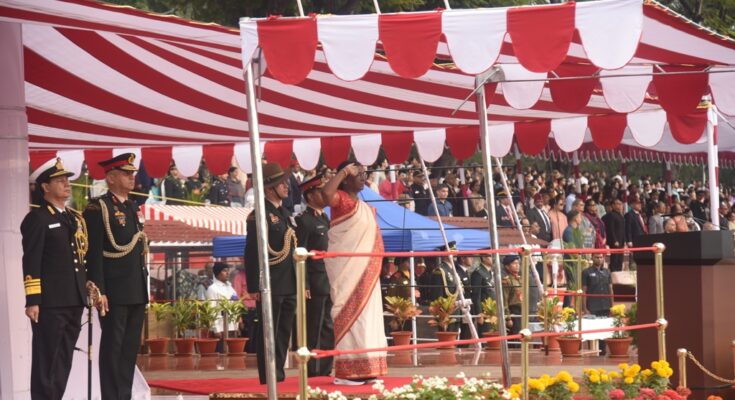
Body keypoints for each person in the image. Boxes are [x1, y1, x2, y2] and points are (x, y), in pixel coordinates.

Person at [22, 159, 89, 400]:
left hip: (73, 300)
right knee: (46, 360)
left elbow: (80, 258)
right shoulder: (37, 219)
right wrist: (33, 300)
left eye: (67, 180)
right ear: (45, 187)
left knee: (63, 360)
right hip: (50, 303)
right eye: (59, 181)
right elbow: (31, 261)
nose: (66, 184)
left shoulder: (73, 218)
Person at [84, 153, 148, 400]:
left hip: (135, 289)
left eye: (132, 172)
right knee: (113, 349)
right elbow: (94, 252)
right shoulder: (97, 208)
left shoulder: (131, 206)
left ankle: (124, 395)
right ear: (110, 178)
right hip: (114, 291)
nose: (132, 177)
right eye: (125, 173)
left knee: (129, 350)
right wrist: (99, 290)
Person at [318, 161, 387, 384]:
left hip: (367, 272)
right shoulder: (342, 200)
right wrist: (344, 171)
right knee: (351, 317)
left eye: (364, 174)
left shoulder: (366, 207)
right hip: (348, 273)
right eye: (357, 174)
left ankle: (369, 368)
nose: (363, 178)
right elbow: (325, 196)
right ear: (346, 178)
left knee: (369, 320)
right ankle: (348, 372)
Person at [245, 163, 297, 384]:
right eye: (280, 183)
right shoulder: (259, 215)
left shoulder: (284, 213)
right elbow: (252, 252)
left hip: (289, 282)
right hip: (271, 283)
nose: (286, 186)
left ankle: (279, 374)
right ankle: (268, 376)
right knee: (270, 333)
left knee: (284, 332)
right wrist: (254, 287)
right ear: (268, 189)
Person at [294, 174, 334, 377]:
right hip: (315, 282)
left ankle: (326, 367)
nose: (324, 194)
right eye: (320, 191)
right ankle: (312, 369)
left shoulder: (325, 217)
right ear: (310, 196)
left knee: (328, 325)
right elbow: (300, 254)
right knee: (314, 326)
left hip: (329, 280)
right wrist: (304, 283)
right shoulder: (304, 221)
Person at [581, 253, 613, 355]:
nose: (599, 259)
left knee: (604, 328)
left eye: (601, 257)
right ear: (592, 258)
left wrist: (613, 306)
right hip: (593, 305)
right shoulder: (586, 272)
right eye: (597, 257)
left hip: (605, 305)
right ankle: (593, 352)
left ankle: (602, 351)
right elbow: (584, 290)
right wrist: (585, 308)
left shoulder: (607, 272)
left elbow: (611, 289)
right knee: (594, 329)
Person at [205, 263, 238, 335]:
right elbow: (211, 310)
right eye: (224, 271)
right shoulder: (212, 289)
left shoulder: (230, 287)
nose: (227, 273)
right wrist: (216, 329)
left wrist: (237, 323)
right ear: (218, 273)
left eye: (228, 270)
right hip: (220, 328)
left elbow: (235, 304)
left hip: (232, 326)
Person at [470, 251, 496, 335]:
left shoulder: (489, 272)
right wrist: (479, 314)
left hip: (492, 310)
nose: (494, 258)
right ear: (484, 258)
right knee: (485, 335)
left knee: (493, 335)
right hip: (484, 311)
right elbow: (476, 295)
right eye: (491, 256)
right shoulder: (478, 272)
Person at [501, 255, 522, 335]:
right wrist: (508, 317)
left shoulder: (519, 279)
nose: (517, 265)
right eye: (514, 263)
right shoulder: (506, 281)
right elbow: (504, 300)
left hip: (521, 310)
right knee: (515, 336)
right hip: (513, 310)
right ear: (507, 266)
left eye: (518, 263)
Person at [603, 199, 625, 272]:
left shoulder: (621, 215)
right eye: (617, 204)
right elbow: (611, 229)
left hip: (621, 240)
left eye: (620, 204)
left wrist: (624, 240)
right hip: (615, 241)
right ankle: (613, 273)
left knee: (620, 258)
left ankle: (619, 272)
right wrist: (614, 240)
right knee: (615, 258)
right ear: (613, 205)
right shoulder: (611, 215)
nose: (619, 206)